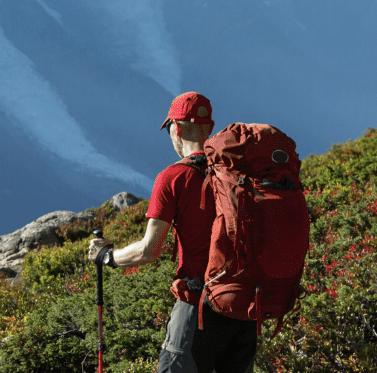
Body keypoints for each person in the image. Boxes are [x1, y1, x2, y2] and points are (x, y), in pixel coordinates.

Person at [87, 91, 256, 373]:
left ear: (176, 128)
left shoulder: (174, 177)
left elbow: (148, 250)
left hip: (198, 306)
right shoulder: (240, 174)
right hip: (243, 308)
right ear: (210, 127)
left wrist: (107, 256)